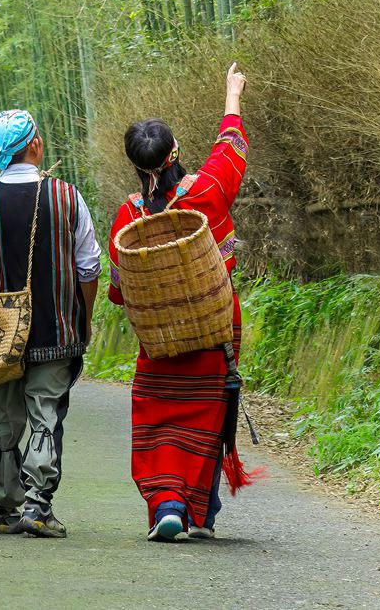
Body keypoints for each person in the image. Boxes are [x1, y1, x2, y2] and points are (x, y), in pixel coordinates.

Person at [107, 62, 253, 543]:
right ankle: (201, 513)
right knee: (212, 410)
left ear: (137, 166)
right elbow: (230, 151)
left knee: (159, 418)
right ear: (175, 154)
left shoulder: (129, 221)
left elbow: (117, 291)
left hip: (160, 343)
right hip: (213, 333)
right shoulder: (205, 195)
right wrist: (233, 94)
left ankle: (167, 504)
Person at [0, 109, 101, 538]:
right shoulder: (67, 197)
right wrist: (82, 319)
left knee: (1, 418)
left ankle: (2, 509)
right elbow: (89, 268)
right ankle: (38, 507)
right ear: (34, 145)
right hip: (56, 329)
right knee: (44, 413)